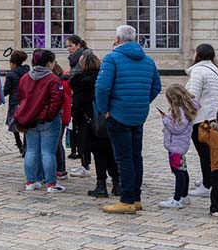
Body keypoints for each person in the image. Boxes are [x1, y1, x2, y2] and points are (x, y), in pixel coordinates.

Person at [96, 24, 162, 214]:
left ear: (117, 39)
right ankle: (136, 197)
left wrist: (104, 109)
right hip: (138, 115)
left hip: (118, 114)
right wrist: (141, 102)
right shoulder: (148, 60)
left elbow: (102, 88)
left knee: (123, 159)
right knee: (135, 157)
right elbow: (156, 87)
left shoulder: (112, 58)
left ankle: (126, 200)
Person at [14, 48, 66, 193]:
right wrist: (48, 115)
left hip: (30, 119)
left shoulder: (25, 77)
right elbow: (58, 100)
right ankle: (51, 184)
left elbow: (21, 97)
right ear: (49, 63)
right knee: (48, 152)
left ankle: (31, 181)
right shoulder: (53, 79)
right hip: (47, 120)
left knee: (31, 150)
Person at [71, 51, 119, 198]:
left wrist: (76, 124)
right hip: (108, 119)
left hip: (89, 122)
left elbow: (77, 106)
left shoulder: (79, 82)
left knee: (99, 154)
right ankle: (117, 183)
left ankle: (101, 185)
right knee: (111, 152)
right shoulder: (106, 78)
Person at [185, 43, 218, 198]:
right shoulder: (215, 70)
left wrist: (185, 114)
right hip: (211, 115)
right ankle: (209, 180)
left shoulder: (199, 71)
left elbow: (192, 95)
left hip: (201, 117)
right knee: (208, 151)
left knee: (204, 153)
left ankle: (208, 184)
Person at [159, 84, 197, 209]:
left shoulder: (181, 111)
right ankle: (184, 196)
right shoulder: (185, 109)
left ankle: (177, 199)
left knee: (178, 172)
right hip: (179, 146)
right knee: (183, 170)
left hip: (176, 146)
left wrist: (165, 119)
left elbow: (177, 128)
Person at [65, 35, 93, 161]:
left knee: (84, 129)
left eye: (70, 46)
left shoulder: (84, 56)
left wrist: (72, 80)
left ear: (78, 45)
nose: (68, 49)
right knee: (79, 128)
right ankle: (82, 158)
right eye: (67, 46)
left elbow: (82, 75)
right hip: (77, 92)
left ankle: (85, 161)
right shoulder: (75, 57)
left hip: (83, 95)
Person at [4, 49, 30, 156]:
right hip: (26, 101)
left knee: (13, 124)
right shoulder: (28, 72)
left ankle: (19, 144)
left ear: (13, 63)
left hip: (15, 102)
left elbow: (6, 90)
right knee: (25, 125)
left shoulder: (11, 74)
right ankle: (25, 146)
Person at [52, 62, 74, 181]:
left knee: (57, 144)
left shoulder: (60, 84)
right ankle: (60, 169)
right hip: (65, 117)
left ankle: (60, 169)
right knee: (58, 143)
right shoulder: (65, 82)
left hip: (61, 117)